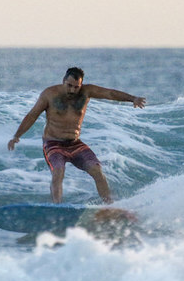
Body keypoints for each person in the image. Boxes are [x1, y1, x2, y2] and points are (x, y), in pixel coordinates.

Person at [8, 67, 146, 204]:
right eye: (69, 86)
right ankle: (57, 207)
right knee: (58, 172)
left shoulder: (86, 91)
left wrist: (133, 98)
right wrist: (17, 136)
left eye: (76, 87)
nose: (73, 90)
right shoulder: (49, 94)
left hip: (75, 143)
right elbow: (32, 116)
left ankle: (110, 206)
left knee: (97, 171)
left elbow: (109, 94)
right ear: (63, 81)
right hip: (53, 144)